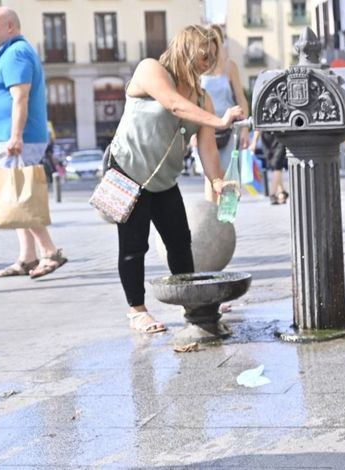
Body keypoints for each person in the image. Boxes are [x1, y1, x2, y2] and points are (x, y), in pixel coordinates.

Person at [109, 24, 243, 333]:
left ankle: (192, 304)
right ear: (185, 48)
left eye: (211, 57)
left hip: (164, 178)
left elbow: (207, 147)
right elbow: (172, 104)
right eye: (203, 55)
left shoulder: (201, 97)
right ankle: (137, 311)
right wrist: (221, 120)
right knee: (133, 245)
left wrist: (218, 182)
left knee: (180, 243)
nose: (207, 62)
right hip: (127, 170)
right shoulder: (150, 69)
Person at [0, 7, 68, 279]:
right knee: (16, 194)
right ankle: (27, 258)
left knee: (22, 196)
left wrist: (16, 135)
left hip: (18, 138)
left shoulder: (17, 53)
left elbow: (20, 97)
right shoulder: (10, 53)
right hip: (11, 138)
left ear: (10, 26)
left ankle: (50, 251)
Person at [201, 24, 249, 203]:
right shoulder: (200, 67)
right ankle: (212, 224)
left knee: (229, 176)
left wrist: (244, 130)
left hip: (230, 130)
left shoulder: (230, 66)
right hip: (206, 128)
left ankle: (227, 223)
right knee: (210, 177)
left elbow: (241, 99)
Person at [251, 130, 288, 204]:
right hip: (266, 138)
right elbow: (257, 124)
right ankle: (282, 191)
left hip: (280, 135)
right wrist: (254, 141)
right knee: (273, 166)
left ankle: (272, 193)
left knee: (277, 164)